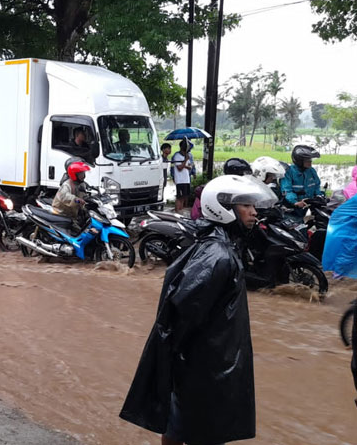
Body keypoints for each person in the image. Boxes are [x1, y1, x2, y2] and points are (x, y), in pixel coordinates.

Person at [120, 175, 277, 445]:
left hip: (204, 365)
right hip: (206, 369)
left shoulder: (219, 247)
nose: (254, 212)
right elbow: (182, 314)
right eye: (246, 205)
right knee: (204, 432)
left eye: (253, 206)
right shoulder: (218, 256)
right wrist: (177, 363)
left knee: (180, 427)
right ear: (224, 208)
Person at [280, 145, 322, 219]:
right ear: (299, 161)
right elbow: (286, 190)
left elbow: (317, 185)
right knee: (297, 226)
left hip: (308, 205)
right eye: (307, 160)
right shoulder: (289, 172)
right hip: (293, 207)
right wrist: (295, 202)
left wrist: (319, 196)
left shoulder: (311, 171)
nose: (310, 162)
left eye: (310, 159)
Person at [171, 140, 193, 212]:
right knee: (179, 197)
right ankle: (177, 210)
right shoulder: (177, 156)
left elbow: (190, 167)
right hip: (180, 180)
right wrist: (185, 161)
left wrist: (184, 164)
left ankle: (181, 209)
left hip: (186, 179)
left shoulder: (187, 155)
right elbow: (179, 168)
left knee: (184, 196)